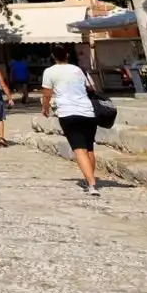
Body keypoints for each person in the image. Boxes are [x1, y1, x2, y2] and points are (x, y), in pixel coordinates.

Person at [41, 43, 100, 195]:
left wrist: (45, 108)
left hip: (68, 112)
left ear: (53, 56)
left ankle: (92, 184)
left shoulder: (49, 71)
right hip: (87, 111)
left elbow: (47, 94)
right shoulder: (77, 69)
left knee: (79, 149)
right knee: (89, 148)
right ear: (67, 55)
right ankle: (90, 178)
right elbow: (91, 88)